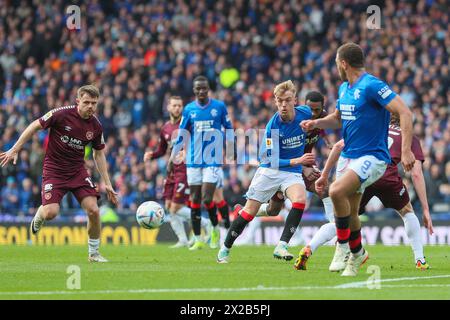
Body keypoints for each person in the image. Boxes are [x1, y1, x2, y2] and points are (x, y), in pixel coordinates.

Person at [301, 42, 415, 276]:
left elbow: (405, 112)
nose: (336, 68)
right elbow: (338, 119)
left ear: (344, 63)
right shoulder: (344, 89)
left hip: (373, 157)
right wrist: (316, 123)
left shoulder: (372, 85)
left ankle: (344, 247)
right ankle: (358, 255)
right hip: (351, 156)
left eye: (336, 63)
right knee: (351, 212)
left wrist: (405, 151)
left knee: (335, 192)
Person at [0, 85, 119, 262]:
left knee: (94, 210)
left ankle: (93, 254)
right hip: (54, 170)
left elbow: (98, 153)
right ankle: (40, 214)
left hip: (78, 171)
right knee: (51, 213)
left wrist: (107, 182)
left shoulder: (96, 126)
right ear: (78, 101)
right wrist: (15, 149)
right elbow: (35, 125)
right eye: (87, 102)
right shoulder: (61, 114)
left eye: (94, 103)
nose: (91, 107)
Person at [312, 115, 433, 270]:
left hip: (365, 173)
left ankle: (310, 248)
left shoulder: (373, 128)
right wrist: (425, 209)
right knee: (407, 211)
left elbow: (338, 146)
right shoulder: (410, 138)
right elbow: (416, 174)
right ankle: (419, 259)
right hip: (387, 176)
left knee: (345, 217)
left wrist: (324, 174)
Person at [217, 80, 315, 263]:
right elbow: (270, 159)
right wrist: (300, 161)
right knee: (255, 212)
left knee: (299, 200)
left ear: (295, 99)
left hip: (292, 172)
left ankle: (282, 245)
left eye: (287, 100)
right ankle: (225, 248)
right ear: (275, 102)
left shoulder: (306, 114)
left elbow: (322, 119)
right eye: (279, 101)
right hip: (270, 170)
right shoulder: (273, 126)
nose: (283, 105)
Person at [233, 91, 336, 258]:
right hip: (286, 166)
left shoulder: (319, 119)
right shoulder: (294, 119)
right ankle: (247, 214)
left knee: (324, 189)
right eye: (310, 109)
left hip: (302, 165)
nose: (313, 114)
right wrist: (303, 168)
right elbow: (281, 153)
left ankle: (336, 228)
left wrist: (326, 140)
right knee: (274, 210)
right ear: (302, 105)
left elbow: (323, 128)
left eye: (317, 111)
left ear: (322, 109)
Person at [171, 76, 234, 250]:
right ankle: (198, 238)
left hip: (212, 160)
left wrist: (230, 149)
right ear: (194, 90)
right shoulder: (189, 109)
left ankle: (215, 229)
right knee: (195, 200)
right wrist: (173, 157)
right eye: (198, 88)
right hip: (193, 161)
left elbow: (229, 128)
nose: (201, 91)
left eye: (204, 88)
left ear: (208, 89)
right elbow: (182, 133)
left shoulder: (219, 107)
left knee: (207, 198)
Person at [144, 96, 213, 248]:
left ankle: (206, 223)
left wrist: (187, 154)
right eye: (174, 105)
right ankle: (182, 240)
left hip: (185, 170)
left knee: (176, 207)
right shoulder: (166, 128)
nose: (177, 108)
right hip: (171, 171)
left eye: (179, 105)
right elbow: (163, 150)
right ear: (168, 107)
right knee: (169, 206)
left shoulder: (188, 124)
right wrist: (152, 155)